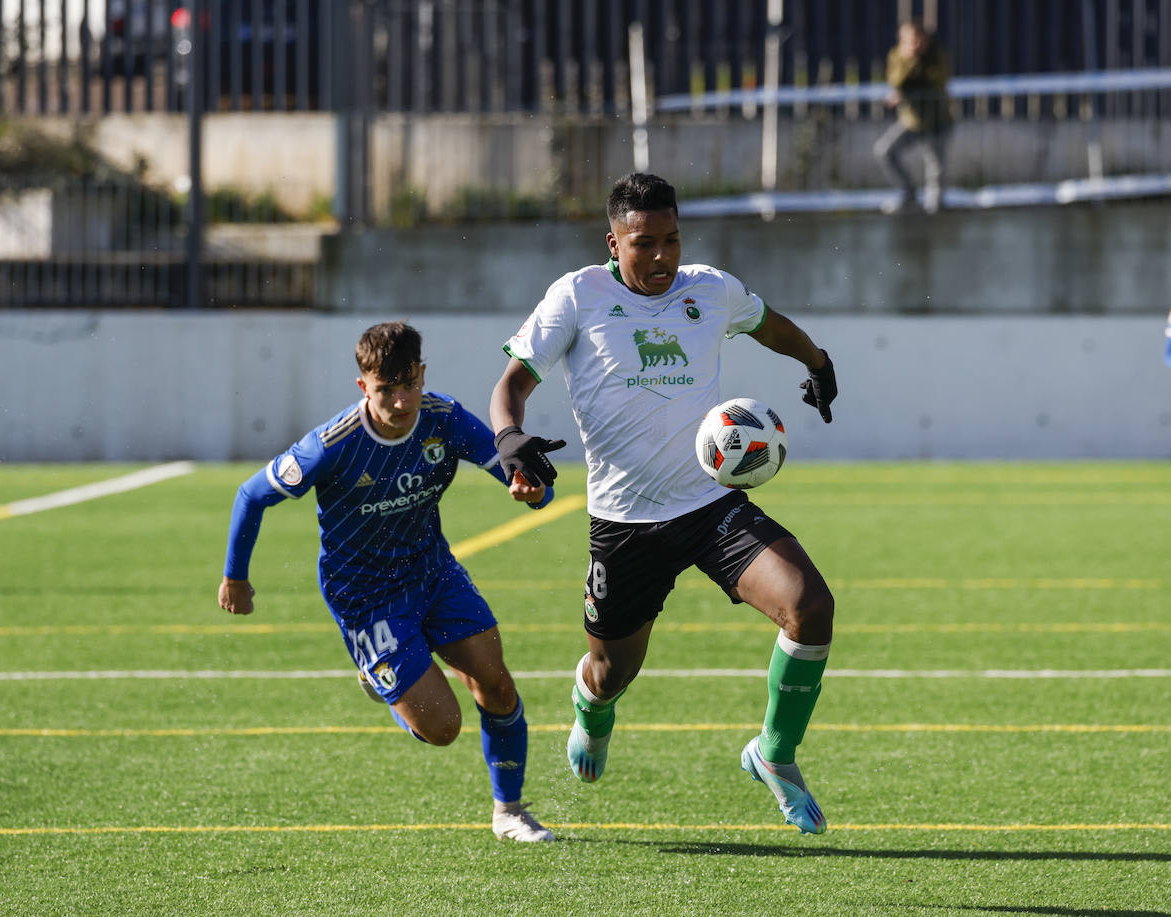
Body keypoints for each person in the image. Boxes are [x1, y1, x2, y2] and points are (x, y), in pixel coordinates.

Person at [489, 173, 838, 835]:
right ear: (613, 242)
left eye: (671, 240)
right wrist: (510, 437)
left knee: (810, 605)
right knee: (611, 670)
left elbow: (768, 325)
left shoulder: (710, 289)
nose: (660, 257)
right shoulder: (578, 296)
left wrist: (818, 362)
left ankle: (774, 753)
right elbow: (510, 385)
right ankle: (592, 708)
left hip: (710, 507)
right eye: (643, 243)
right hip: (623, 526)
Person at [219, 321, 557, 842]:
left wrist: (530, 490)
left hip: (433, 571)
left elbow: (531, 485)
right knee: (443, 729)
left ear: (422, 374)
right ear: (363, 387)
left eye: (409, 385)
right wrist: (235, 578)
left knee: (498, 683)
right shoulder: (332, 446)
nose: (400, 402)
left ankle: (508, 811)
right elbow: (250, 495)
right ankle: (379, 674)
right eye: (385, 390)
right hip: (366, 598)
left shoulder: (444, 420)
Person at [874, 18, 952, 214]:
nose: (915, 45)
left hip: (937, 120)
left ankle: (935, 210)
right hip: (912, 121)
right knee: (885, 151)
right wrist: (910, 60)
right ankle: (908, 194)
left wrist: (918, 64)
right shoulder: (898, 55)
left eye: (918, 41)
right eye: (910, 41)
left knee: (935, 170)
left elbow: (936, 81)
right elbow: (896, 82)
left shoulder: (936, 56)